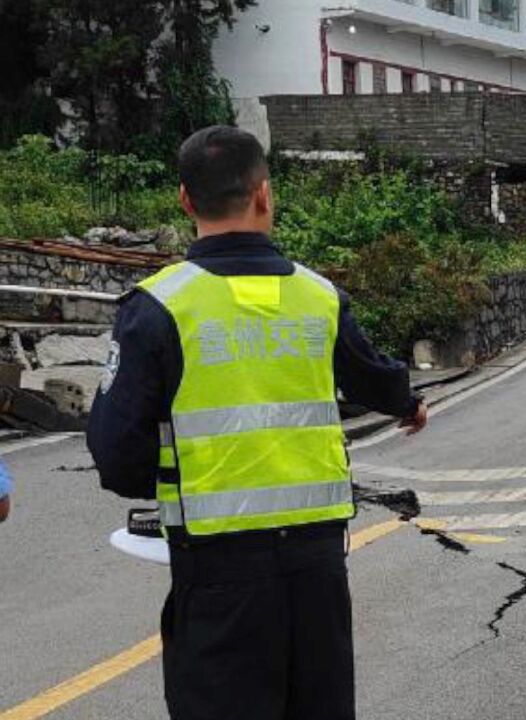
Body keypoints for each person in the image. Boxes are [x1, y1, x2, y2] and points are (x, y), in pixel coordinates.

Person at [87, 126, 427, 720]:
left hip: (217, 568)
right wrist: (407, 404)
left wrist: (174, 478)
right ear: (265, 195)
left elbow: (118, 454)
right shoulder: (319, 297)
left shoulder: (158, 306)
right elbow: (372, 374)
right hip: (318, 565)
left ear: (186, 201)